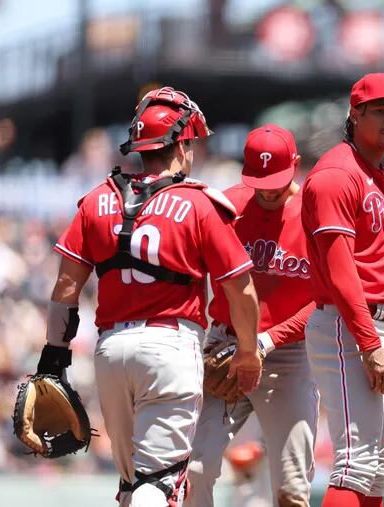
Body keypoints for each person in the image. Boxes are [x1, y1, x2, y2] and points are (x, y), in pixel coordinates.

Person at [39, 86, 262, 507]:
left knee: (132, 484)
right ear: (180, 145)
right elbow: (240, 288)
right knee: (159, 484)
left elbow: (65, 290)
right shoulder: (198, 203)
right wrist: (248, 351)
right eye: (191, 142)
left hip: (109, 353)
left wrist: (53, 358)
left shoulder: (96, 199)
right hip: (169, 348)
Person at [301, 72, 384, 507]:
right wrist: (370, 345)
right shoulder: (336, 174)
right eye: (382, 111)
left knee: (375, 471)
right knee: (354, 462)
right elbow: (340, 271)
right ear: (355, 114)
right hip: (350, 327)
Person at [187, 124, 319, 507]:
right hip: (225, 347)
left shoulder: (314, 211)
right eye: (259, 179)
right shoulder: (225, 205)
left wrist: (265, 341)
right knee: (194, 469)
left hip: (288, 354)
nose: (268, 189)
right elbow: (191, 276)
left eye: (276, 178)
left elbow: (326, 299)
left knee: (292, 487)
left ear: (295, 165)